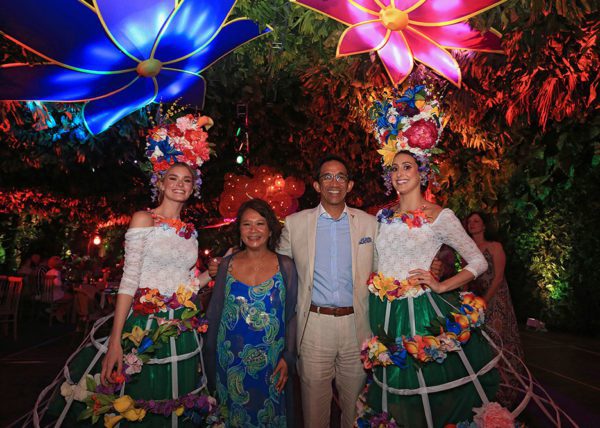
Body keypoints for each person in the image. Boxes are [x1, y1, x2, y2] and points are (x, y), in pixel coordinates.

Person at [35, 162, 216, 427]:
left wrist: (210, 274)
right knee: (132, 399)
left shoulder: (190, 232)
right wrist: (115, 342)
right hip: (144, 324)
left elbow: (186, 288)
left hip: (180, 329)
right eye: (173, 178)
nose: (180, 184)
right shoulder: (144, 218)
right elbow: (129, 280)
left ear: (193, 188)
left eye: (186, 180)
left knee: (176, 400)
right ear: (161, 184)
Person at [277, 155, 378, 428]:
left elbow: (385, 271)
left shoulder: (369, 224)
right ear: (317, 185)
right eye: (327, 177)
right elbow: (278, 270)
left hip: (357, 327)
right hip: (314, 326)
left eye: (341, 177)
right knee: (313, 411)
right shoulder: (295, 223)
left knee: (357, 409)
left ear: (350, 184)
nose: (334, 183)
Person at [205, 199, 298, 427]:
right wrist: (206, 362)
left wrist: (288, 357)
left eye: (260, 224)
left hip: (271, 364)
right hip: (229, 362)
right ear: (239, 230)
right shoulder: (226, 265)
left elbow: (292, 316)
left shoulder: (285, 266)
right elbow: (214, 314)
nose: (253, 230)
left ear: (270, 229)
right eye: (247, 224)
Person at [465, 211, 525, 406]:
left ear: (484, 226)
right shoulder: (467, 250)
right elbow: (466, 277)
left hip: (496, 298)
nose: (472, 224)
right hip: (477, 301)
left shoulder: (494, 246)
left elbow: (498, 277)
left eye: (476, 221)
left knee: (498, 342)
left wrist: (485, 301)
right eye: (470, 222)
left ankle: (506, 391)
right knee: (481, 343)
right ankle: (487, 391)